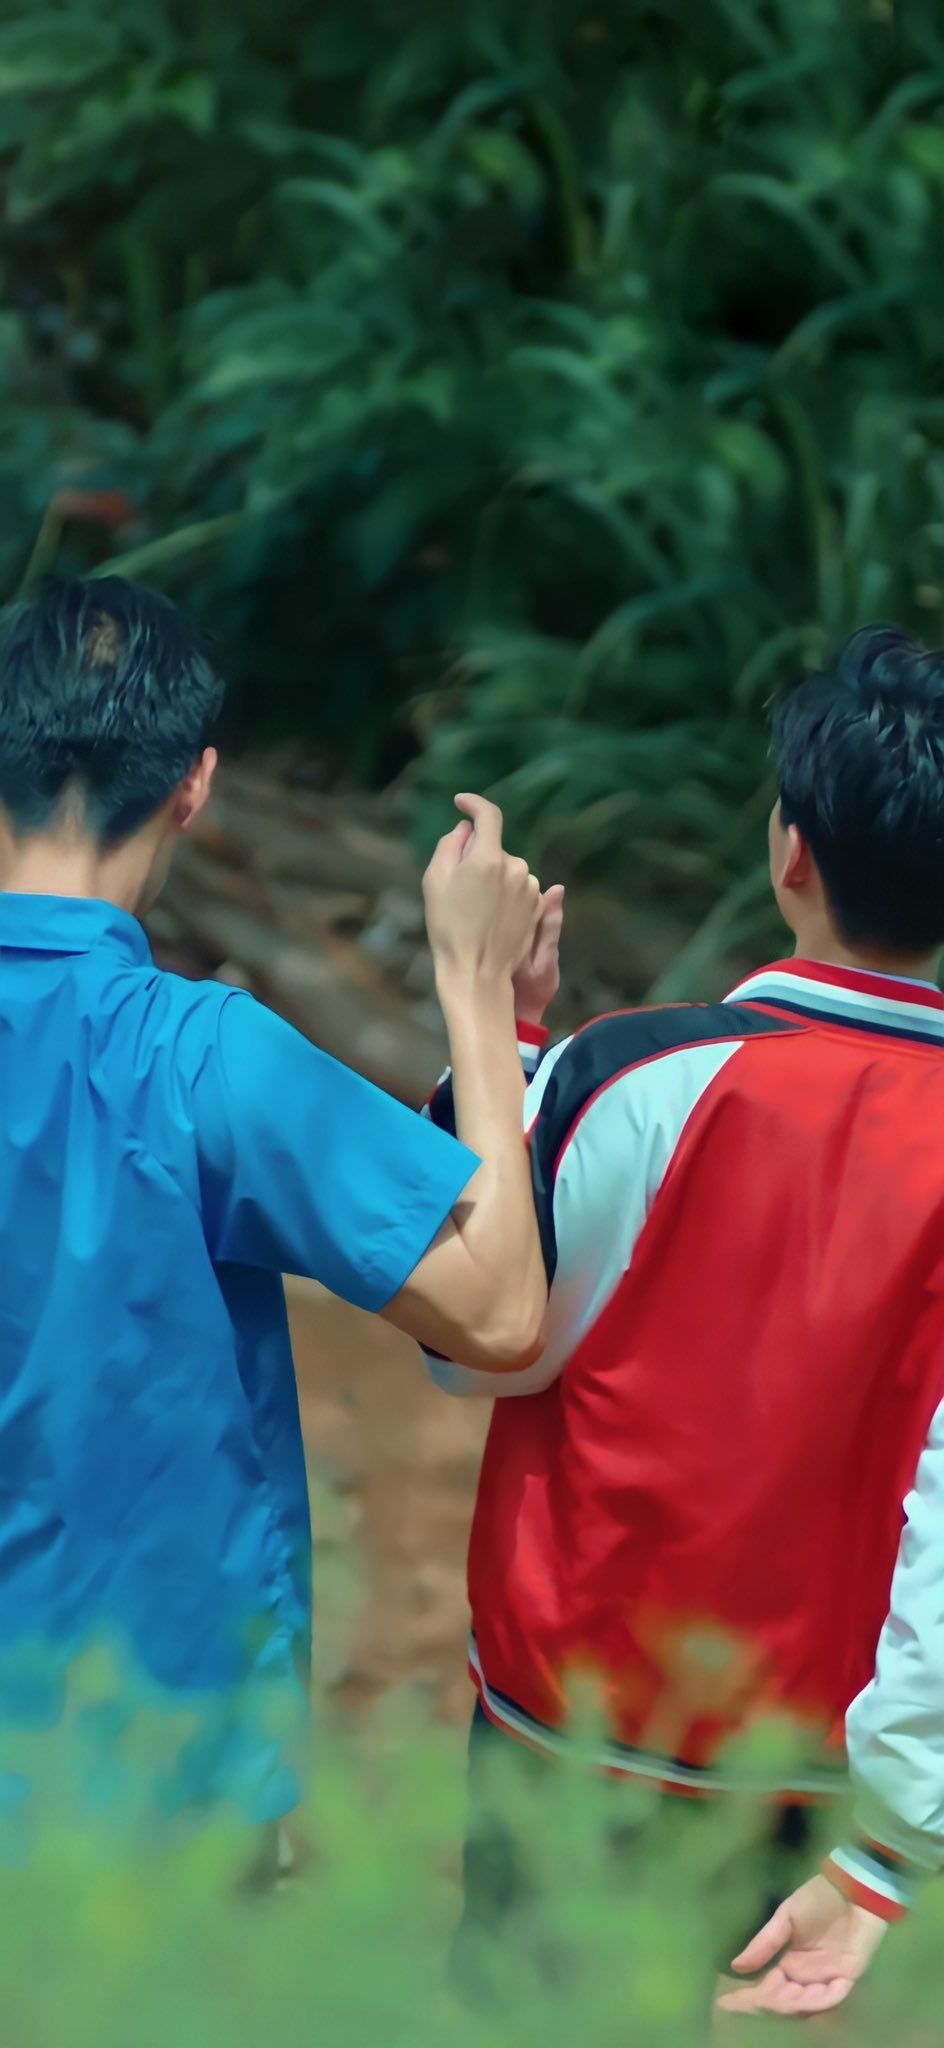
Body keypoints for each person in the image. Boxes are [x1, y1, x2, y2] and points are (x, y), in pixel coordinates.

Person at [426, 625, 944, 2017]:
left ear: (791, 852)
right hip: (818, 1779)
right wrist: (896, 1839)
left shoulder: (637, 1075)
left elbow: (476, 1336)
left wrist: (507, 1050)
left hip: (571, 1733)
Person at [0, 574, 547, 1835]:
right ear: (194, 786)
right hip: (160, 1797)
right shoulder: (200, 1057)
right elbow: (498, 1311)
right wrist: (478, 993)